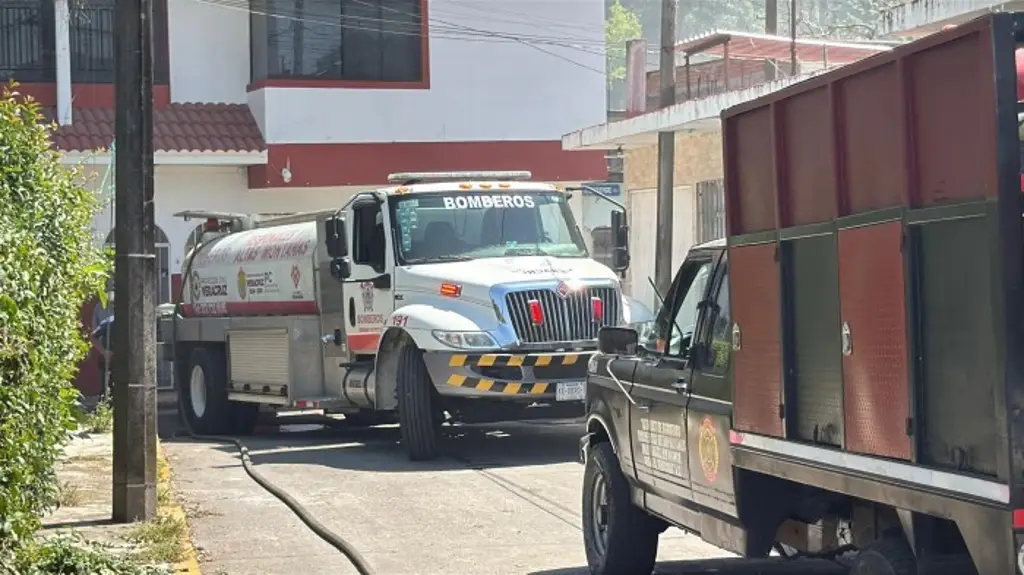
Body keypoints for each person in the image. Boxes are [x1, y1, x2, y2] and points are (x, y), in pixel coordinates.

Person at [91, 313, 114, 402]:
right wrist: (104, 352)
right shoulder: (109, 322)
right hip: (110, 361)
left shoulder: (132, 323)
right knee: (106, 388)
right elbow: (93, 337)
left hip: (126, 362)